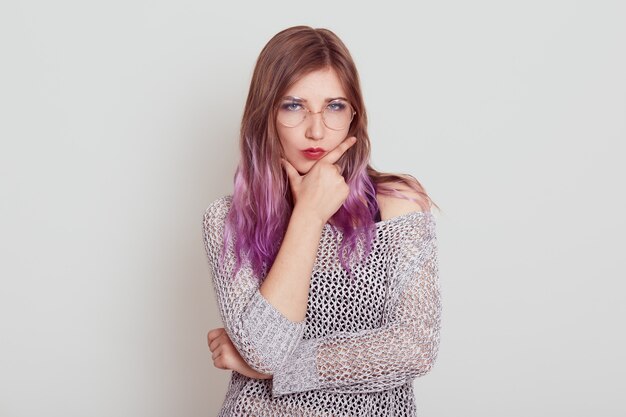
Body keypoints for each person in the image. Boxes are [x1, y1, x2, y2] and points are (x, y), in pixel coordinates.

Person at [203, 25, 442, 417]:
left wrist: (277, 372)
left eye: (334, 106)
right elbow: (264, 351)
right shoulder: (228, 220)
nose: (316, 130)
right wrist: (309, 216)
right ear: (266, 114)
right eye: (293, 105)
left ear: (353, 116)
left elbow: (414, 348)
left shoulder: (397, 202)